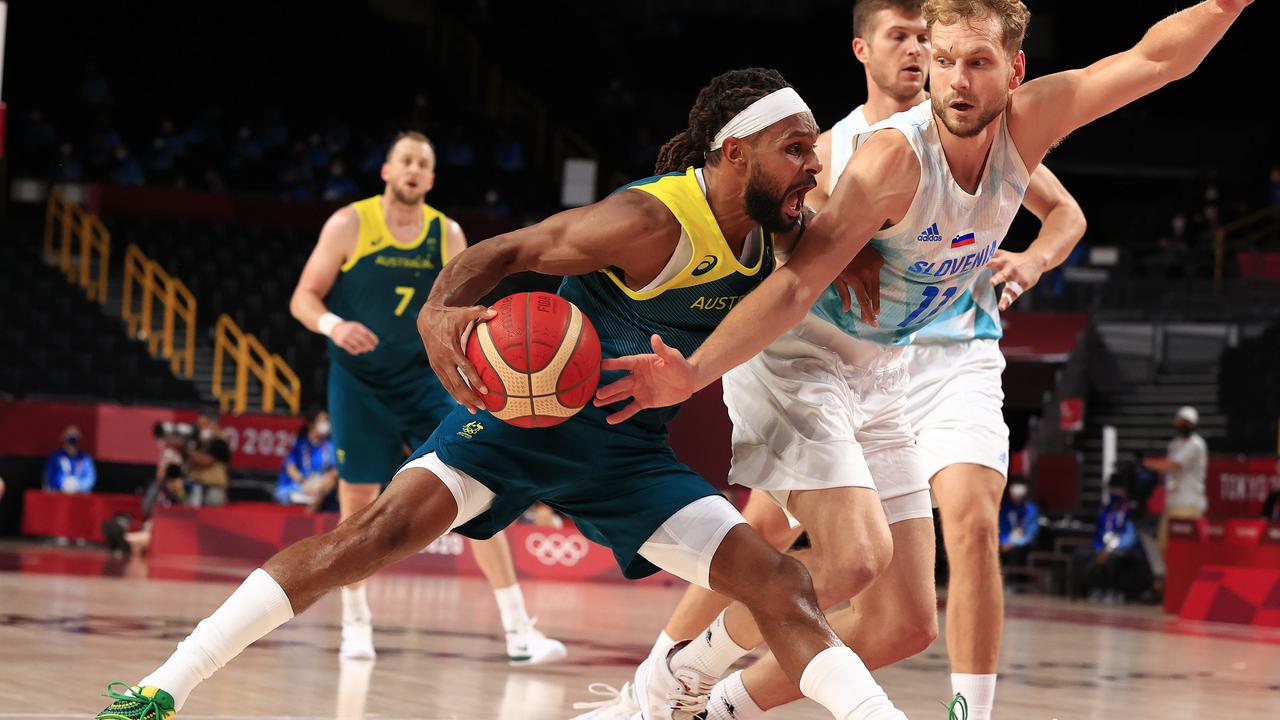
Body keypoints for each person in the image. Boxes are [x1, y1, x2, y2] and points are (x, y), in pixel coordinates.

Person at [97, 68, 911, 720]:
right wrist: (437, 313)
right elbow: (512, 249)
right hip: (524, 427)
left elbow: (818, 231)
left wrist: (854, 246)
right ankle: (163, 687)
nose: (813, 163)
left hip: (628, 454)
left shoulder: (773, 222)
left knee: (782, 584)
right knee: (366, 538)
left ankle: (688, 692)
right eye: (796, 148)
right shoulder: (644, 220)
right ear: (734, 153)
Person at [596, 1, 1253, 718]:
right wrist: (692, 373)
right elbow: (788, 286)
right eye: (943, 63)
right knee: (847, 557)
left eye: (976, 63)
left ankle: (717, 705)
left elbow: (1158, 58)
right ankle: (672, 680)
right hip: (802, 358)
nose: (956, 82)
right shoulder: (890, 158)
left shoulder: (1030, 124)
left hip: (887, 369)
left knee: (902, 624)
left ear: (1015, 69)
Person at [284, 130, 563, 663]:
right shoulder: (349, 223)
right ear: (387, 171)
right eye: (404, 160)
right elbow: (303, 296)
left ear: (431, 179)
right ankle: (356, 623)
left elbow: (460, 306)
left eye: (423, 164)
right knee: (356, 503)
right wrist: (334, 324)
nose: (413, 169)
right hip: (358, 383)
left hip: (424, 379)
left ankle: (518, 631)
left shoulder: (447, 234)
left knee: (478, 488)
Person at [1145, 405, 1209, 554]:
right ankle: (1166, 576)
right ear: (1176, 422)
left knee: (1183, 548)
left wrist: (1146, 463)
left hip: (1189, 503)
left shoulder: (1196, 444)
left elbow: (1173, 465)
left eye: (1188, 423)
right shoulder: (1173, 444)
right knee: (1163, 545)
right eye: (1182, 422)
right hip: (1173, 501)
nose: (1184, 426)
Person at [1083, 487, 1141, 603]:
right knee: (1087, 555)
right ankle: (1097, 589)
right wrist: (1099, 548)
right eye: (1112, 491)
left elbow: (1129, 538)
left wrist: (1110, 549)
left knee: (1114, 559)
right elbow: (1098, 534)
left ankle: (1114, 590)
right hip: (1102, 547)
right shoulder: (1103, 513)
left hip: (1120, 549)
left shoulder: (1127, 515)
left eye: (1118, 491)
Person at [274, 410, 338, 509]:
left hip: (320, 488)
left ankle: (310, 514)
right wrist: (305, 483)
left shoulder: (330, 445)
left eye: (327, 420)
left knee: (327, 485)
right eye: (322, 420)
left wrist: (320, 485)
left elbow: (334, 471)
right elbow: (291, 468)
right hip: (298, 486)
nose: (326, 424)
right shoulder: (299, 444)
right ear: (312, 424)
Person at [187, 412, 231, 508]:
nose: (201, 429)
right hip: (195, 484)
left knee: (213, 508)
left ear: (214, 425)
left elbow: (207, 461)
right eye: (199, 426)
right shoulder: (196, 442)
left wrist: (187, 451)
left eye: (204, 425)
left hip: (214, 487)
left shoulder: (220, 442)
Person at [44, 425, 96, 494]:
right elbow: (49, 475)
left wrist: (78, 484)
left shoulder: (84, 458)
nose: (71, 445)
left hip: (79, 495)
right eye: (69, 440)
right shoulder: (55, 456)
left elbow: (90, 478)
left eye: (74, 441)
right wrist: (61, 483)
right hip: (59, 495)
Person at [998, 481, 1039, 568]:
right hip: (1004, 544)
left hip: (1022, 546)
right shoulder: (1005, 507)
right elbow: (1001, 528)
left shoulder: (1030, 509)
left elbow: (1030, 534)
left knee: (1016, 554)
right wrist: (1005, 541)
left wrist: (1012, 542)